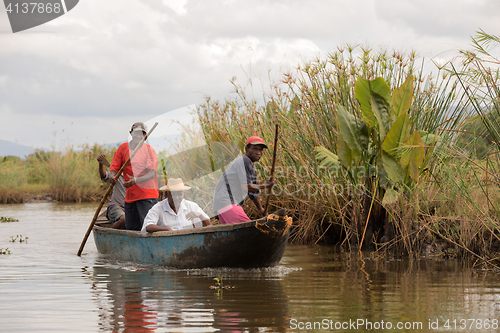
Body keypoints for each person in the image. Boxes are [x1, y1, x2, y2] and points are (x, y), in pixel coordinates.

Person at [213, 135, 275, 224]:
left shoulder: (251, 167)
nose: (258, 152)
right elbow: (246, 187)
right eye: (255, 149)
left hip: (223, 205)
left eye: (260, 150)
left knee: (236, 235)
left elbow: (253, 192)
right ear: (246, 149)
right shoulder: (244, 161)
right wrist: (265, 185)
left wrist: (260, 208)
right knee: (252, 230)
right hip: (227, 203)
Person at [109, 122, 159, 231]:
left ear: (145, 136)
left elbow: (151, 174)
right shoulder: (123, 148)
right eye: (136, 133)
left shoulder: (149, 150)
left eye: (142, 133)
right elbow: (114, 167)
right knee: (131, 228)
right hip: (130, 197)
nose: (138, 136)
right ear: (131, 134)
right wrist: (113, 177)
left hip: (147, 196)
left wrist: (135, 180)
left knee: (147, 227)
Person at [141, 178, 211, 234]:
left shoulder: (191, 206)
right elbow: (148, 226)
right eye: (173, 194)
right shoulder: (158, 208)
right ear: (166, 194)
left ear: (183, 194)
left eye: (179, 194)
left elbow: (209, 226)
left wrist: (200, 215)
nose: (176, 198)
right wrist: (167, 230)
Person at [97, 154, 126, 229]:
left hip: (129, 209)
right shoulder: (117, 174)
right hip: (116, 206)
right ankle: (110, 233)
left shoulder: (138, 177)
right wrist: (101, 164)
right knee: (123, 219)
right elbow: (104, 175)